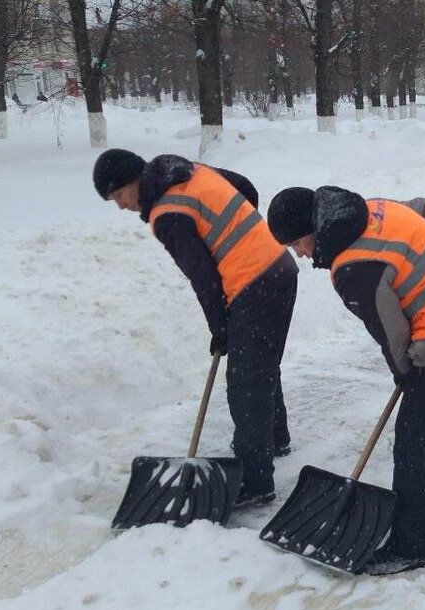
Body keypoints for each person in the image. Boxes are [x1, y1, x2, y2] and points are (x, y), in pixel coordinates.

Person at [266, 186, 425, 576]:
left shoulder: (354, 269)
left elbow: (392, 332)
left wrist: (406, 372)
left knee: (415, 440)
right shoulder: (374, 210)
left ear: (315, 227)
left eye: (298, 243)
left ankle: (410, 544)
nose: (299, 254)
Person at [92, 148, 297, 508]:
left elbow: (202, 276)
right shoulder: (189, 171)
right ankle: (273, 438)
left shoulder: (167, 214)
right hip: (279, 266)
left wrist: (220, 327)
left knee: (245, 380)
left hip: (253, 281)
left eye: (119, 196)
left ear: (132, 182)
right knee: (260, 362)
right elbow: (243, 186)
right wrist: (244, 232)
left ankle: (255, 478)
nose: (121, 206)